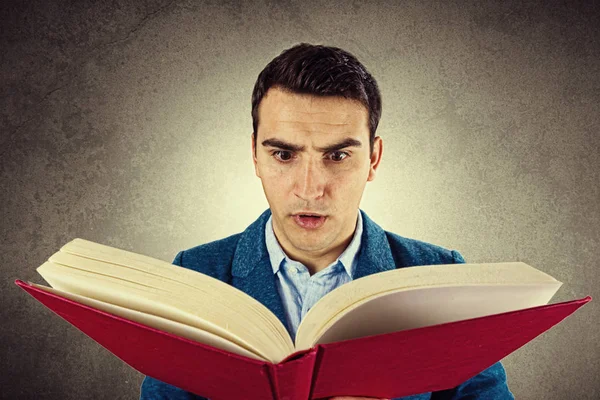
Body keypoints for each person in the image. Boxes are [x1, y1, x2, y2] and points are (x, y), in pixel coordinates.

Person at [140, 43, 514, 400]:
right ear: (255, 155)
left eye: (337, 155)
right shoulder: (193, 277)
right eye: (284, 154)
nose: (310, 189)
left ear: (373, 159)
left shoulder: (443, 278)